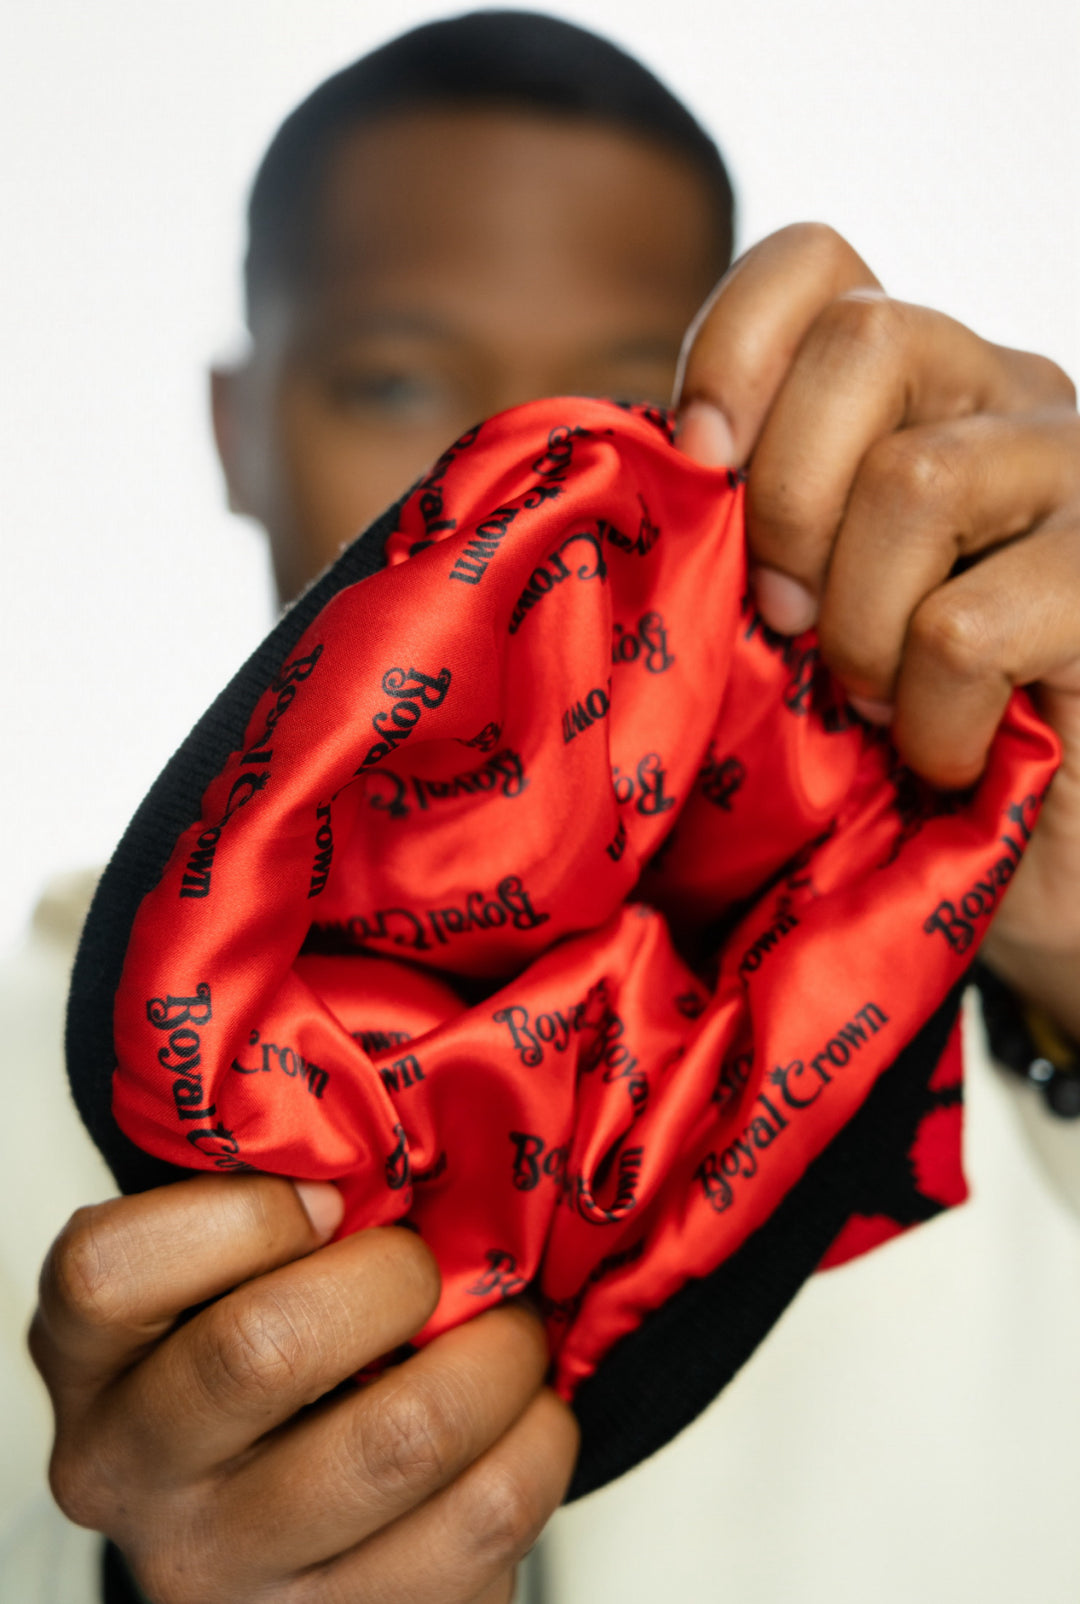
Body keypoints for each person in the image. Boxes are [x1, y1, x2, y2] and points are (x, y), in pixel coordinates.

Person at [8, 11, 1080, 1602]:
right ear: (236, 431)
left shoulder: (996, 983)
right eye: (390, 380)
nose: (510, 504)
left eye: (621, 413)